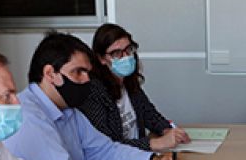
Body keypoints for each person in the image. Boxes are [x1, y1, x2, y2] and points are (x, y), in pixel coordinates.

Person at [5, 32, 185, 160]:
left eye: (88, 73)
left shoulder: (66, 109)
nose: (86, 80)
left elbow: (105, 151)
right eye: (78, 72)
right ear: (50, 73)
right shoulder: (29, 118)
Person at [77, 23, 190, 152]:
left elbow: (149, 114)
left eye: (128, 49)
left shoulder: (128, 82)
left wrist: (167, 130)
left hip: (139, 158)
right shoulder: (94, 92)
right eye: (116, 53)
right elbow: (107, 145)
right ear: (101, 59)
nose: (126, 57)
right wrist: (155, 143)